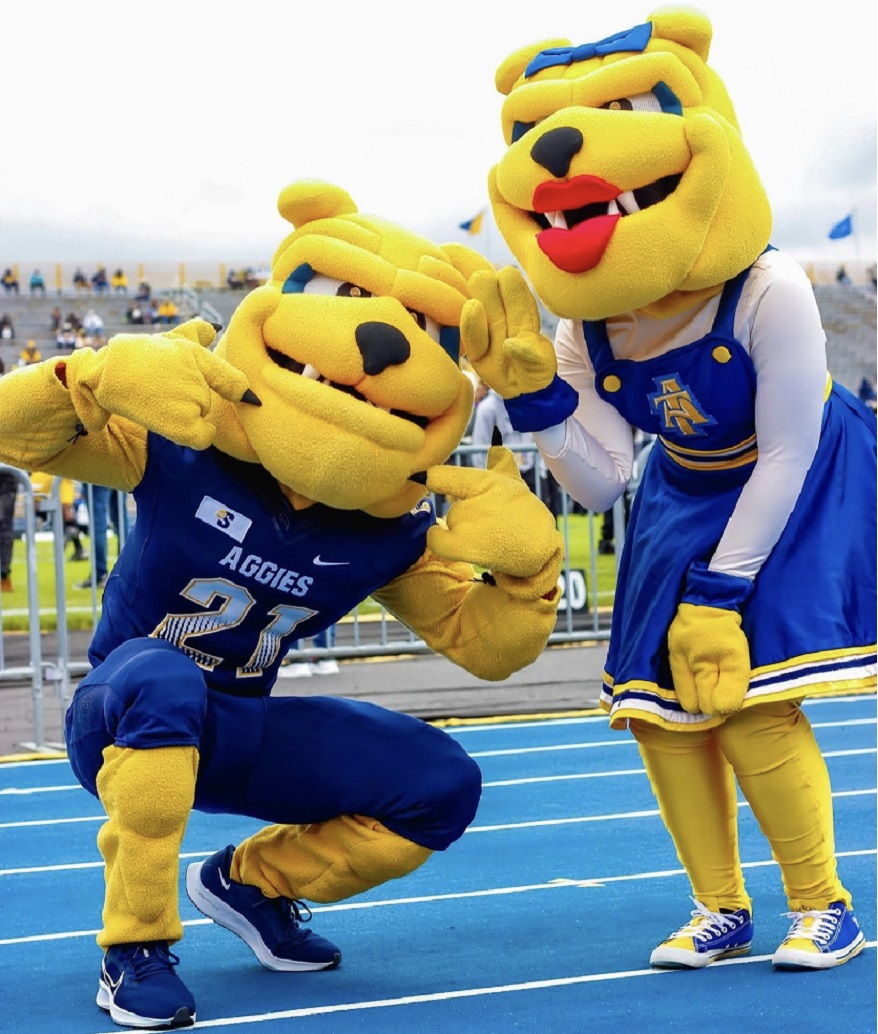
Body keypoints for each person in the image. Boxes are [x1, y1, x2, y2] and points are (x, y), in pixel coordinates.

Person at [0, 181, 563, 1028]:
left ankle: (249, 883)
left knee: (440, 783)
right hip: (118, 713)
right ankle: (134, 949)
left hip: (237, 729)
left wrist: (527, 574)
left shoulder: (389, 523)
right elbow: (11, 431)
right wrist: (87, 374)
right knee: (162, 678)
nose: (377, 345)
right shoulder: (189, 437)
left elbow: (488, 649)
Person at [476, 9, 875, 975]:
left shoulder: (767, 287)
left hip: (802, 479)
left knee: (746, 700)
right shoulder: (589, 324)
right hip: (684, 486)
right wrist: (536, 405)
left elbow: (788, 451)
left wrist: (723, 590)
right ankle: (719, 907)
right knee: (659, 709)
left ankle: (825, 903)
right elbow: (605, 476)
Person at [30, 472, 89, 562]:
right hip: (56, 473)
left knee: (35, 497)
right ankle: (77, 546)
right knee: (66, 512)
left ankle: (72, 544)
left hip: (45, 471)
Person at [0, 468, 18, 593]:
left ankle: (4, 574)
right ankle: (4, 575)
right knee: (6, 526)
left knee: (5, 527)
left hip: (8, 475)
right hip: (9, 471)